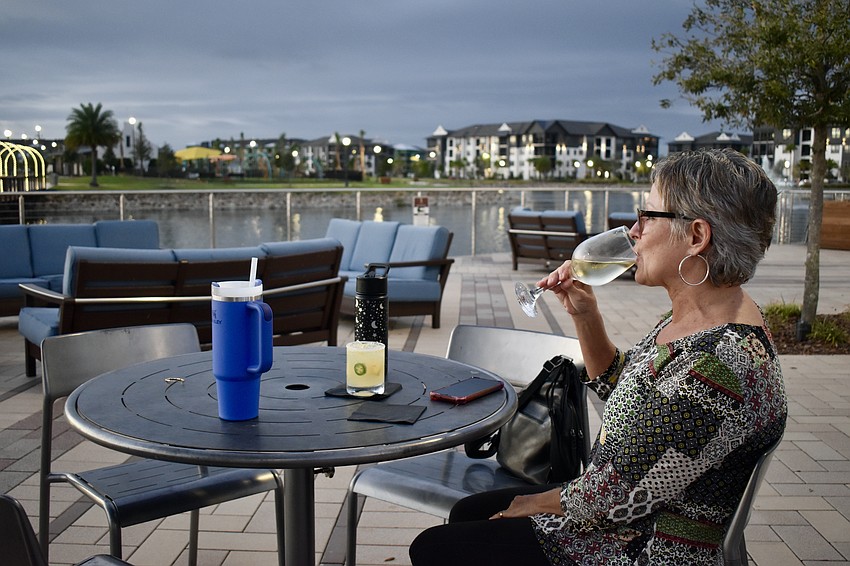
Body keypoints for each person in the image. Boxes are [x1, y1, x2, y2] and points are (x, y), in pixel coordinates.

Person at [409, 148, 787, 566]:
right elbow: (629, 391)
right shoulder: (701, 320)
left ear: (696, 237)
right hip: (622, 507)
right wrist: (585, 316)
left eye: (647, 216)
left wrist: (530, 505)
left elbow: (612, 497)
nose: (633, 230)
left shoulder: (715, 367)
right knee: (468, 512)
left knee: (434, 548)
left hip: (644, 544)